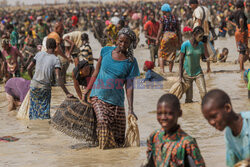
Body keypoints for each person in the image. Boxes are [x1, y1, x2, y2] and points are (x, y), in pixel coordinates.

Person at [85, 28, 140, 149]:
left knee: (119, 140)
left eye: (126, 42)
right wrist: (87, 90)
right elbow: (96, 71)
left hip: (117, 102)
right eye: (120, 41)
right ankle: (103, 157)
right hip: (98, 96)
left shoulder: (131, 62)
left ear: (130, 44)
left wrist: (130, 109)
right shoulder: (105, 51)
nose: (122, 45)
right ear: (117, 40)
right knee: (103, 122)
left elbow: (129, 87)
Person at [146, 93, 205, 166]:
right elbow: (149, 162)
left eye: (169, 113)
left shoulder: (187, 143)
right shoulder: (154, 137)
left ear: (179, 113)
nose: (163, 117)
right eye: (159, 113)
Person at [201, 89, 250, 167]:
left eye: (214, 116)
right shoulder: (229, 135)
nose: (211, 122)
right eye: (208, 119)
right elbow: (231, 163)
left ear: (227, 108)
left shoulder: (248, 121)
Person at [27, 38, 73, 120]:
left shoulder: (38, 54)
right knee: (44, 115)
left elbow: (28, 68)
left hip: (34, 86)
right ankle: (44, 130)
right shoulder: (55, 59)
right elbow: (58, 78)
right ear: (56, 47)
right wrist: (67, 92)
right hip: (45, 88)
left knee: (34, 110)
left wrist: (32, 80)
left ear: (46, 46)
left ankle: (34, 130)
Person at [179, 26, 208, 103]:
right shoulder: (185, 45)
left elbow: (203, 58)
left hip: (198, 73)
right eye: (200, 36)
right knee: (188, 100)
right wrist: (180, 76)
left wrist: (210, 59)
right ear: (194, 34)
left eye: (202, 36)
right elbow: (181, 61)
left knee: (204, 94)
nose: (201, 38)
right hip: (187, 74)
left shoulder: (201, 44)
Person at [156, 4, 182, 73]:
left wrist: (157, 39)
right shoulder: (175, 18)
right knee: (172, 54)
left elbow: (160, 29)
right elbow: (179, 30)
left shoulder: (163, 18)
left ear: (164, 11)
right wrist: (180, 40)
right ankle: (170, 71)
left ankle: (162, 70)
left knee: (161, 53)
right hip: (174, 37)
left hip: (166, 36)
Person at [190, 0, 213, 73]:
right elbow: (209, 21)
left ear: (194, 4)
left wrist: (198, 31)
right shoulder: (206, 9)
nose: (191, 7)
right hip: (205, 31)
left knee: (194, 48)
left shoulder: (196, 10)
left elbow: (199, 20)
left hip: (198, 32)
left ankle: (195, 68)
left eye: (191, 5)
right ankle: (208, 68)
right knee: (205, 50)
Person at [229, 1, 249, 71]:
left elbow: (228, 19)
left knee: (242, 50)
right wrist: (241, 28)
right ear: (242, 7)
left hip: (237, 32)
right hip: (242, 32)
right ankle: (241, 68)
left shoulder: (234, 13)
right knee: (242, 52)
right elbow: (241, 20)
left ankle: (241, 66)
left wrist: (236, 26)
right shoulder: (241, 13)